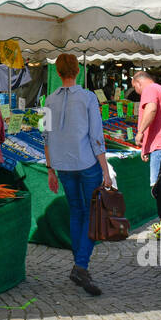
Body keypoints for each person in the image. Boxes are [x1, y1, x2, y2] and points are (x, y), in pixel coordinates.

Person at [43, 53, 115, 297]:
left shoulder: (48, 100)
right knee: (91, 214)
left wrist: (50, 169)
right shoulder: (87, 98)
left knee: (77, 211)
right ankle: (81, 266)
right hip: (85, 162)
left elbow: (46, 137)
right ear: (78, 70)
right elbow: (97, 136)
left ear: (58, 72)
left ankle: (79, 265)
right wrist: (105, 169)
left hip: (63, 164)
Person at [132, 71, 161, 239]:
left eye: (135, 88)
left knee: (159, 185)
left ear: (137, 83)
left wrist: (140, 132)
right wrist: (145, 147)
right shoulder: (160, 89)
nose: (137, 92)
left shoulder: (150, 89)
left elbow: (150, 110)